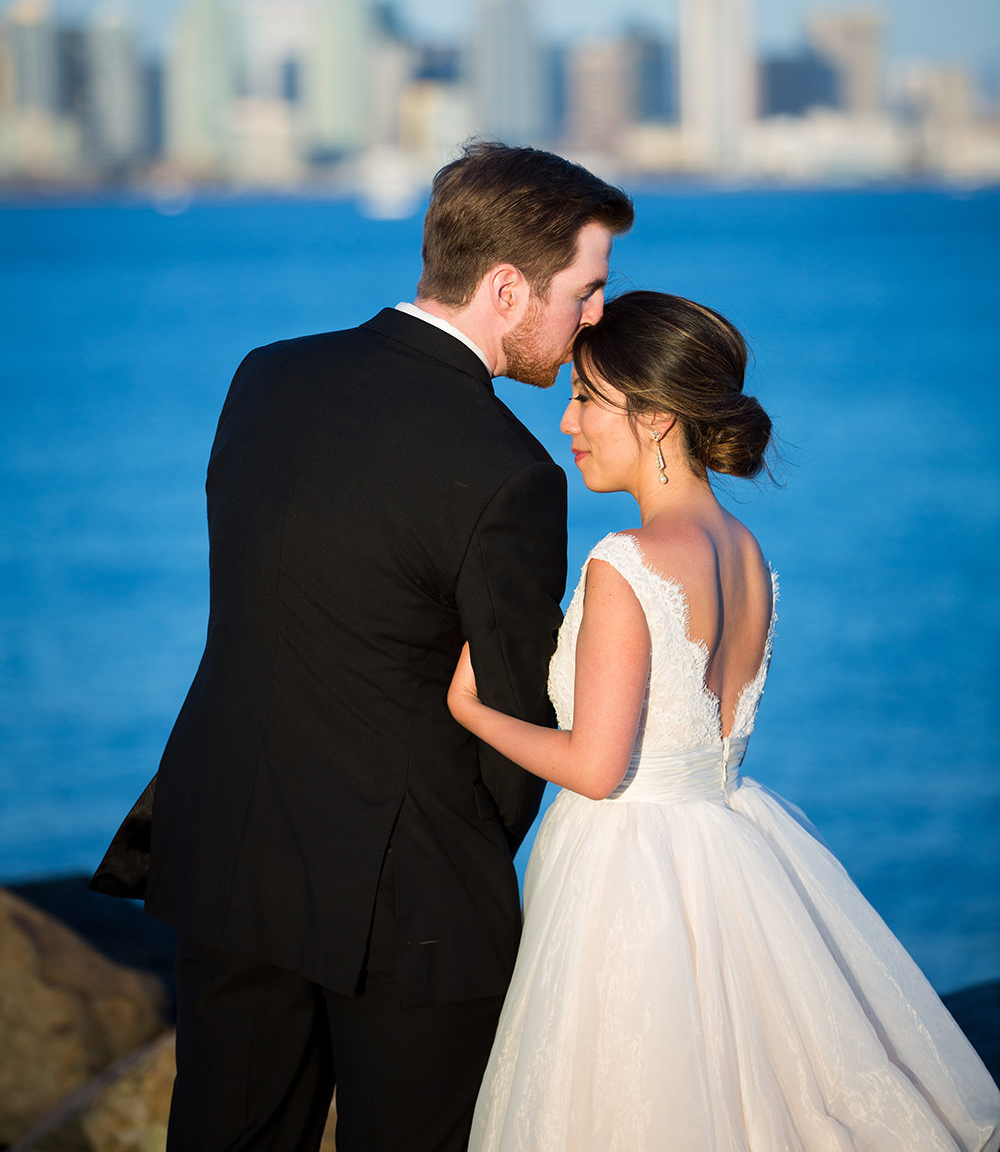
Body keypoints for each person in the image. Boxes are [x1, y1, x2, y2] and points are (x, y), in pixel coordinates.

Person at [92, 142, 633, 1152]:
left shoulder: (267, 377)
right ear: (508, 289)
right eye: (587, 290)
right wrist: (459, 865)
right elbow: (514, 717)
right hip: (411, 893)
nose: (595, 317)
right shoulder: (508, 470)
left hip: (229, 841)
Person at [449, 290, 1000, 1152]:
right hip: (732, 845)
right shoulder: (748, 553)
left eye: (588, 399)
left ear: (659, 417)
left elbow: (596, 767)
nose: (569, 424)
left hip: (628, 869)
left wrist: (469, 709)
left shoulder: (624, 561)